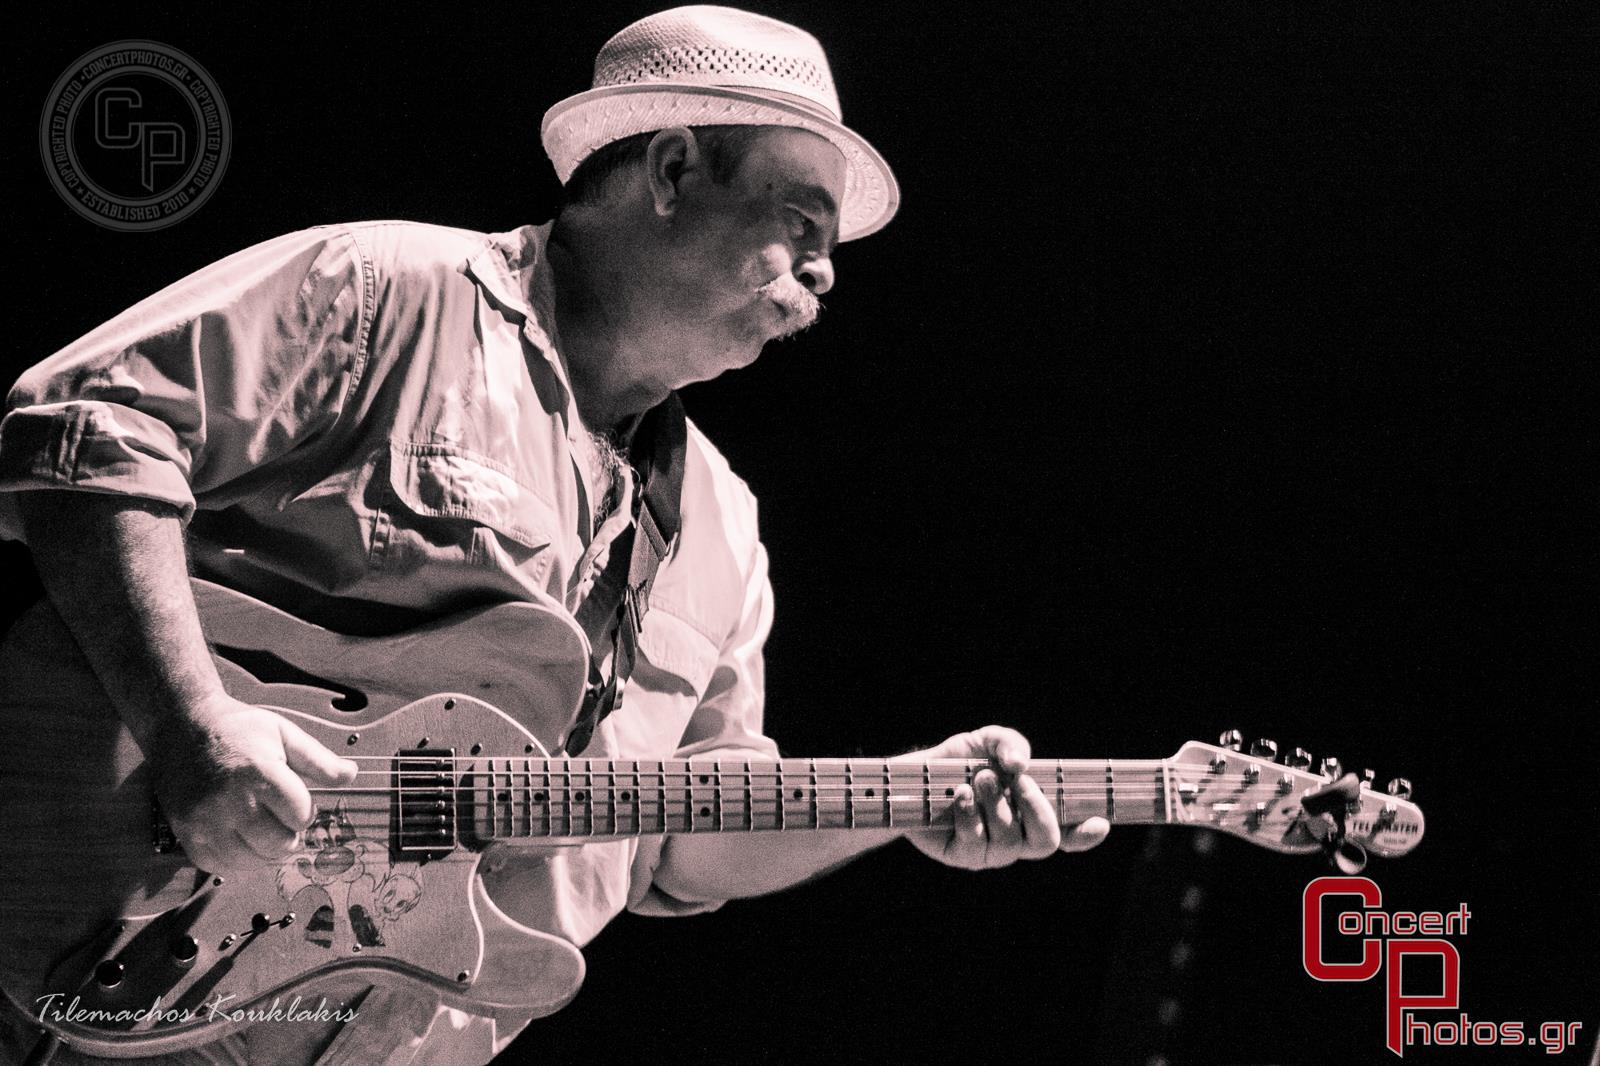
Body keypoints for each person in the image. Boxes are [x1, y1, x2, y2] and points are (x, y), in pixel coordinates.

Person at [0, 7, 1108, 1064]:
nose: (825, 269)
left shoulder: (723, 524)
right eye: (800, 222)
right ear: (671, 171)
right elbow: (87, 429)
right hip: (104, 948)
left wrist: (907, 799)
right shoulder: (393, 291)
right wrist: (192, 726)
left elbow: (685, 842)